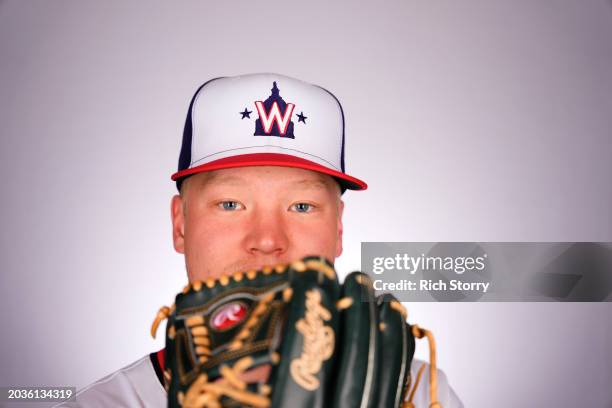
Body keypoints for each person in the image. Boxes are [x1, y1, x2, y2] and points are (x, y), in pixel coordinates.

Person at [57, 73, 463, 407]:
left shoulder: (416, 392)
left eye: (302, 206)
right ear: (180, 225)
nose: (268, 241)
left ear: (338, 229)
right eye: (231, 203)